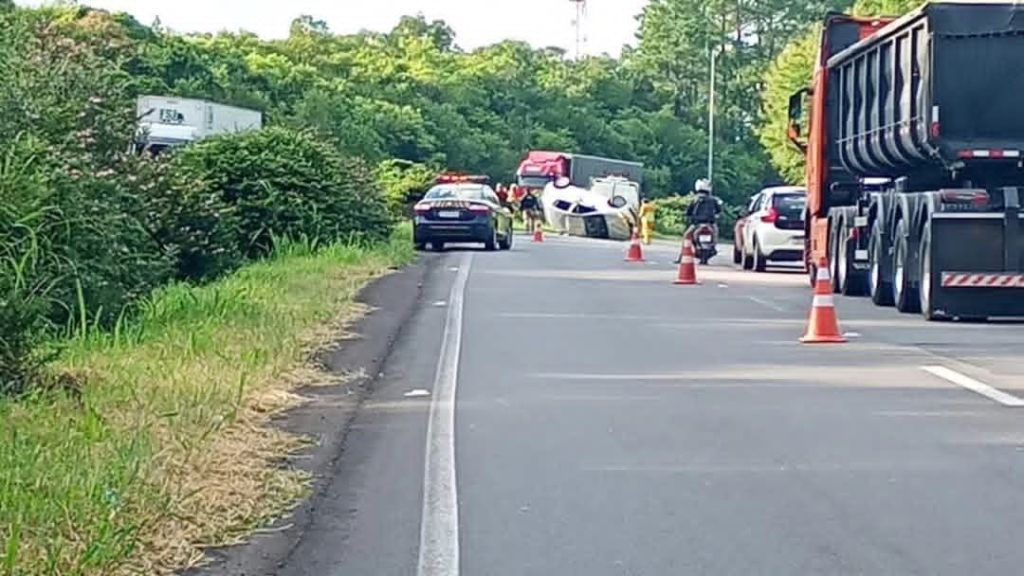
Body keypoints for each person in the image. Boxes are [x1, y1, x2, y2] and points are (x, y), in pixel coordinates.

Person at [677, 178, 722, 262]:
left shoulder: (695, 199)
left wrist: (688, 217)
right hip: (710, 224)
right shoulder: (713, 200)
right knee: (716, 235)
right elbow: (719, 211)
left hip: (697, 224)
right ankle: (713, 248)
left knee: (686, 236)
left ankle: (681, 256)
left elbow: (688, 212)